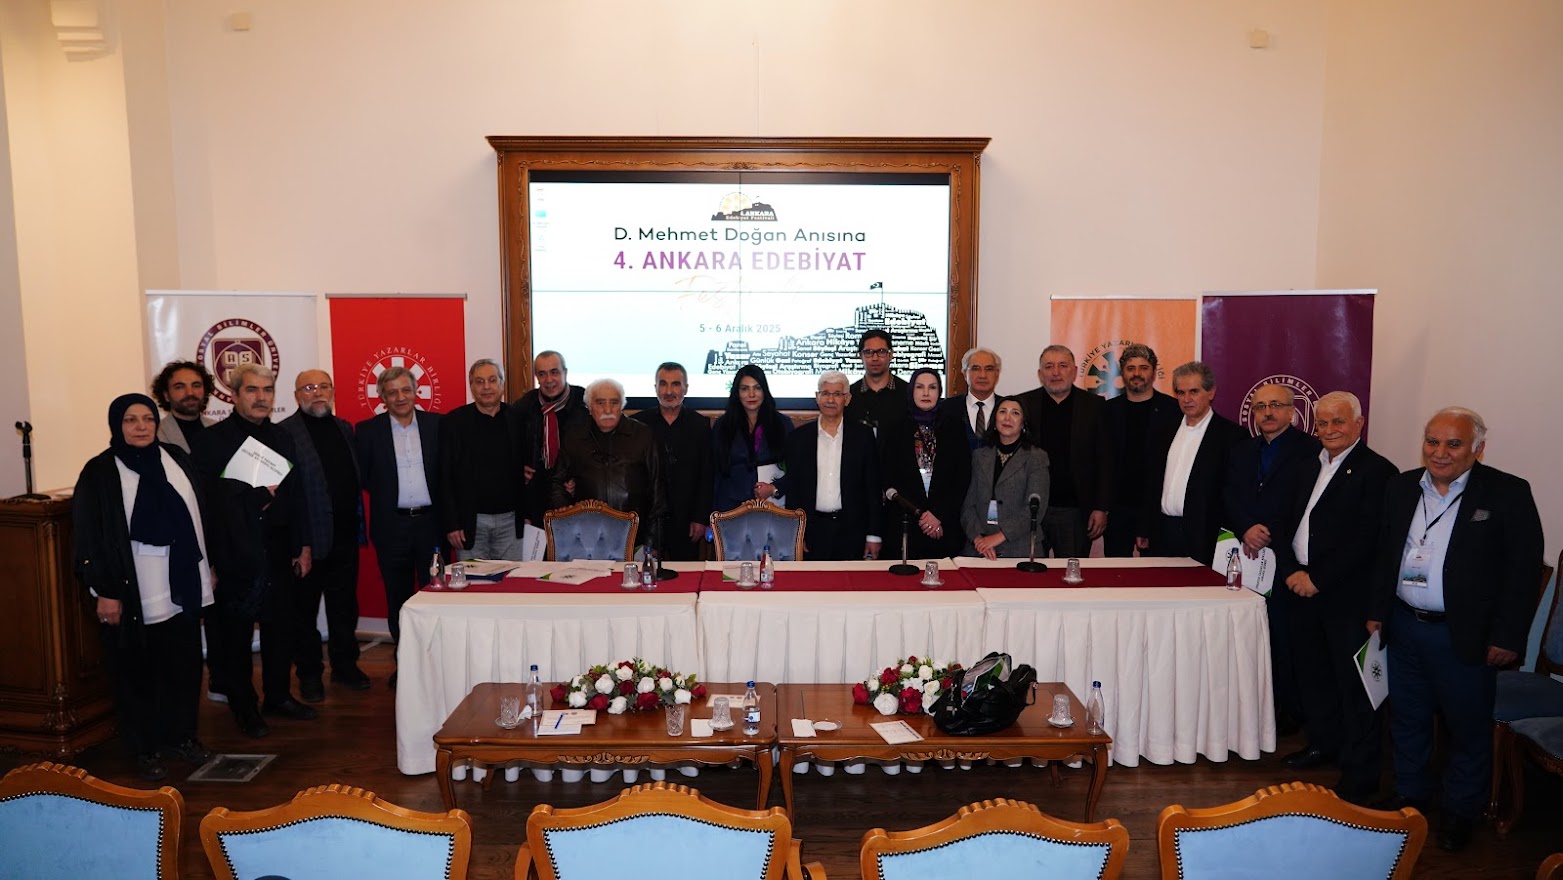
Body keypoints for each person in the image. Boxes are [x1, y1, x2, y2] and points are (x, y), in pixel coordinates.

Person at [1369, 407, 1544, 852]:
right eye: (1432, 441)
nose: (1440, 452)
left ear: (1477, 449)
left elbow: (1522, 574)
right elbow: (1385, 553)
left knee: (1467, 729)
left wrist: (1507, 637)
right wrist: (1377, 611)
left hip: (1464, 636)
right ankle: (1411, 797)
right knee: (1407, 719)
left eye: (1453, 444)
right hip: (1405, 626)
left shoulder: (1507, 493)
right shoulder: (1402, 486)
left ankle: (1460, 812)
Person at [73, 394, 215, 780]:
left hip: (181, 582)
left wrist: (208, 566)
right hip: (133, 590)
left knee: (183, 666)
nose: (141, 426)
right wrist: (105, 590)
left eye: (148, 419)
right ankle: (144, 748)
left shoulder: (176, 457)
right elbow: (88, 535)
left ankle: (181, 737)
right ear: (116, 425)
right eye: (131, 420)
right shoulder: (100, 471)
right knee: (135, 672)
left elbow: (199, 515)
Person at [1271, 392, 1396, 803]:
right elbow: (1283, 521)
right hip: (1299, 588)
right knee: (1314, 677)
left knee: (1355, 688)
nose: (1329, 430)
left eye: (1338, 421)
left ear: (1359, 424)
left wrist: (1318, 578)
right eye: (1322, 422)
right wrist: (1291, 570)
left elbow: (1368, 539)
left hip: (1346, 597)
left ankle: (1360, 773)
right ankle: (1323, 745)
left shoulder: (1378, 471)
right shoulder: (1307, 463)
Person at [192, 364, 314, 737]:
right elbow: (206, 504)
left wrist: (302, 545)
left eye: (267, 390)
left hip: (278, 548)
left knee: (280, 628)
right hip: (234, 550)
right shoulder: (212, 441)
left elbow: (296, 495)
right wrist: (210, 562)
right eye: (251, 390)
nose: (261, 397)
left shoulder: (282, 436)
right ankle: (244, 706)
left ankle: (278, 696)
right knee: (236, 636)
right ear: (233, 394)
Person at [1224, 381, 1323, 737]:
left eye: (1276, 406)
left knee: (1285, 639)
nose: (1267, 413)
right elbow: (1228, 495)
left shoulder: (1312, 450)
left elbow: (1306, 504)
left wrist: (1268, 531)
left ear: (1292, 412)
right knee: (1248, 635)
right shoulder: (1241, 450)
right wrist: (1245, 527)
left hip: (1287, 560)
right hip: (1245, 554)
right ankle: (1252, 706)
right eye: (1260, 406)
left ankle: (1288, 711)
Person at [278, 369, 367, 701]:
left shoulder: (344, 428)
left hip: (345, 536)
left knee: (344, 608)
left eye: (323, 386)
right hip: (308, 542)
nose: (317, 393)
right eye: (309, 387)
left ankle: (345, 666)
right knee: (304, 612)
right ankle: (310, 674)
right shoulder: (283, 433)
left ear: (332, 391)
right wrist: (297, 543)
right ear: (297, 395)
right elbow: (284, 495)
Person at [356, 366, 440, 689]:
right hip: (391, 526)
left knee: (435, 596)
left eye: (406, 390)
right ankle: (405, 664)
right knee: (399, 599)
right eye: (392, 392)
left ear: (416, 391)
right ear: (382, 397)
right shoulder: (367, 431)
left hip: (432, 525)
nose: (400, 397)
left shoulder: (437, 425)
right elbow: (365, 477)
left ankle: (434, 662)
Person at [1139, 361, 1245, 565]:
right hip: (1162, 532)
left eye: (1194, 392)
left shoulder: (1232, 436)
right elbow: (1151, 483)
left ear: (1211, 392)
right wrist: (1145, 527)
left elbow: (1235, 493)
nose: (1186, 399)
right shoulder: (1164, 431)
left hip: (1205, 536)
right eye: (1181, 392)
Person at [1015, 345, 1111, 557]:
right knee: (1028, 572)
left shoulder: (1094, 406)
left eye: (1063, 366)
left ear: (1075, 371)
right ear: (1040, 374)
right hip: (1029, 511)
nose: (1056, 372)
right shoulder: (1023, 404)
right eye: (1049, 367)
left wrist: (1101, 507)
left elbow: (1105, 460)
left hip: (1075, 512)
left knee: (1071, 573)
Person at [785, 372, 883, 561]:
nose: (830, 399)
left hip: (852, 530)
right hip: (812, 530)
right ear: (817, 397)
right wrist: (796, 532)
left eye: (837, 394)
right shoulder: (798, 438)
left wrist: (874, 534)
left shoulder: (863, 436)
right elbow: (794, 489)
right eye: (825, 393)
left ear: (847, 399)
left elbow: (872, 488)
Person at [438, 358, 530, 560]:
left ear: (502, 384)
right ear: (471, 387)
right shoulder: (453, 422)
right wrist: (452, 524)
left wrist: (528, 515)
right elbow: (444, 477)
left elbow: (529, 468)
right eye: (479, 382)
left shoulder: (518, 419)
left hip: (511, 522)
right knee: (474, 579)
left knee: (511, 578)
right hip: (470, 524)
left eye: (492, 380)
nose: (486, 387)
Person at [551, 378, 664, 535]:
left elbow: (657, 489)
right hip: (587, 535)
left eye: (614, 402)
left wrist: (652, 540)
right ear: (589, 407)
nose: (608, 409)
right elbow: (557, 481)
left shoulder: (643, 435)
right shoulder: (574, 438)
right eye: (600, 403)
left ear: (622, 405)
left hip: (635, 534)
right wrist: (564, 506)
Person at [883, 367, 971, 559]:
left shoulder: (954, 427)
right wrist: (922, 516)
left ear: (939, 392)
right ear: (911, 391)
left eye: (932, 387)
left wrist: (938, 515)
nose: (925, 393)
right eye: (919, 387)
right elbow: (889, 478)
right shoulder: (896, 429)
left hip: (944, 526)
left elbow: (962, 478)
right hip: (906, 526)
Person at [1102, 344, 1179, 557]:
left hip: (1158, 508)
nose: (1137, 373)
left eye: (1143, 368)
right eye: (1131, 368)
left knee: (1155, 572)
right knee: (1116, 571)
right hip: (1118, 509)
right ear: (1122, 373)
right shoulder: (1108, 411)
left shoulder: (1173, 410)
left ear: (1153, 372)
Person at [631, 362, 712, 561]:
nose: (668, 391)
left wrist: (700, 518)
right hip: (648, 521)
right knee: (647, 574)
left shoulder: (700, 425)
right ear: (655, 388)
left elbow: (707, 475)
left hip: (687, 520)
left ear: (686, 388)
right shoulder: (639, 424)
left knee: (686, 576)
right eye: (663, 384)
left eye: (675, 384)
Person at [961, 397, 1050, 559]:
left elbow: (1035, 509)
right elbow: (968, 506)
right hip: (979, 549)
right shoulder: (980, 456)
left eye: (1015, 413)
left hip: (1020, 549)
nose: (1007, 418)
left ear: (1023, 423)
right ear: (995, 421)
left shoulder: (1036, 457)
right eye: (1002, 412)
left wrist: (998, 537)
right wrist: (978, 538)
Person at [710, 364, 795, 515]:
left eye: (757, 388)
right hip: (730, 508)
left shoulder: (782, 424)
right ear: (737, 393)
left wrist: (775, 488)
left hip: (772, 506)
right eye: (744, 389)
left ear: (764, 391)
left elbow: (796, 468)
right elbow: (714, 472)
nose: (751, 394)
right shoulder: (722, 426)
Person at [515, 350, 587, 527]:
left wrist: (581, 477)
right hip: (536, 498)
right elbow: (507, 447)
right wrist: (516, 466)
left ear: (565, 372)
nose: (549, 380)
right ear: (536, 377)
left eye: (554, 372)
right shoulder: (522, 408)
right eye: (542, 374)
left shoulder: (586, 403)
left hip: (576, 497)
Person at [845, 329, 905, 449]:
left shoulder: (908, 393)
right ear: (860, 356)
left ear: (891, 355)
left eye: (881, 352)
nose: (875, 358)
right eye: (868, 352)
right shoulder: (849, 396)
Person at [150, 360, 215, 453]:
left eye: (196, 385)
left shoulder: (218, 428)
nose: (190, 393)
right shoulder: (155, 433)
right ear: (166, 395)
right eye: (180, 387)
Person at [947, 347, 1002, 449]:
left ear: (997, 374)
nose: (982, 375)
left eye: (989, 369)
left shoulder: (1008, 409)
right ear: (965, 374)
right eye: (975, 369)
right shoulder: (946, 408)